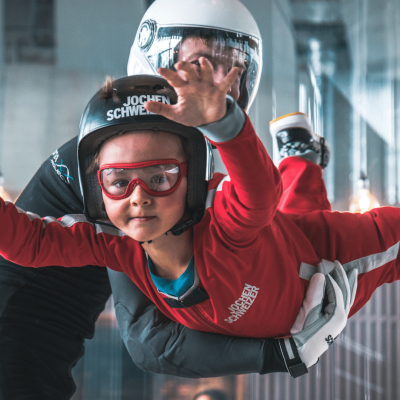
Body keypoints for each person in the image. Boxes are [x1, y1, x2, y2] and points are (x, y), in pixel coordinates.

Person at [0, 1, 345, 398]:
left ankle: (299, 161)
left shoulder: (176, 149)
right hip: (19, 339)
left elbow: (268, 228)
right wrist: (281, 354)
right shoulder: (125, 161)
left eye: (229, 67)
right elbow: (150, 340)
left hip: (54, 332)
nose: (214, 83)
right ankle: (300, 161)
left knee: (288, 248)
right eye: (196, 66)